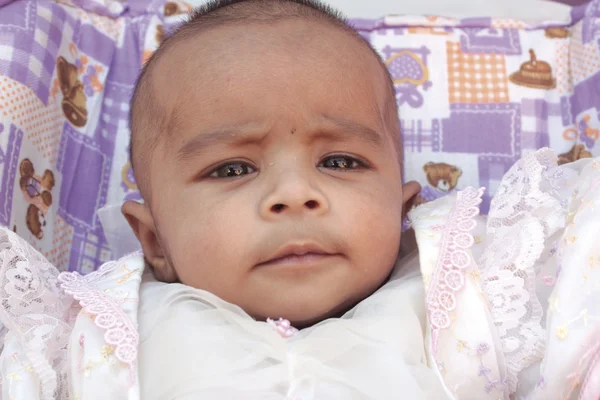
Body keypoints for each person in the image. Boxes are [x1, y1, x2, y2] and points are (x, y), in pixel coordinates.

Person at [0, 1, 598, 399]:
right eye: (231, 168)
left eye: (340, 161)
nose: (295, 194)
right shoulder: (81, 335)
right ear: (154, 240)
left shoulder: (475, 295)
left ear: (403, 211)